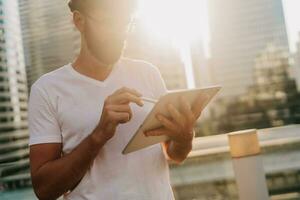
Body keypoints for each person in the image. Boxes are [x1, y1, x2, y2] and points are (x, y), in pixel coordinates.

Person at [28, 0, 204, 199]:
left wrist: (184, 136)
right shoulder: (47, 90)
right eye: (108, 21)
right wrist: (99, 134)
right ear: (79, 21)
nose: (119, 32)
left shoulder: (148, 73)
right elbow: (44, 189)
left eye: (125, 22)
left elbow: (174, 154)